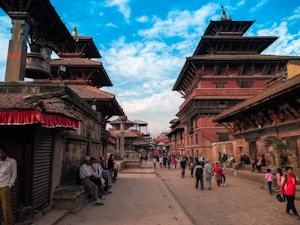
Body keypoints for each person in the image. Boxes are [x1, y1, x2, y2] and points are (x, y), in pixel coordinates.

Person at [0, 145, 17, 225]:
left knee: (6, 208)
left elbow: (14, 174)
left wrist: (10, 185)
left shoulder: (12, 161)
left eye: (2, 152)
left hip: (4, 186)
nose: (1, 154)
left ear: (6, 152)